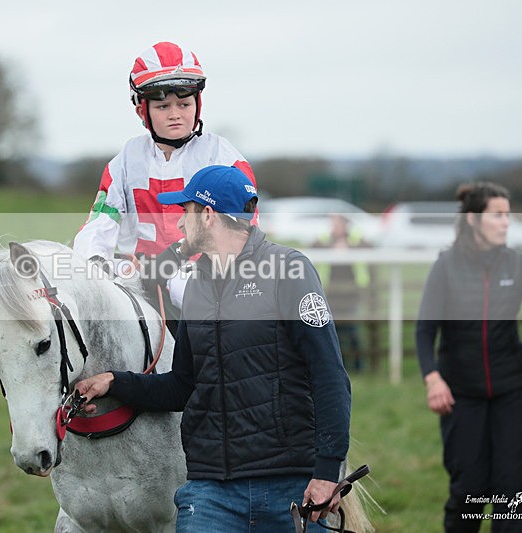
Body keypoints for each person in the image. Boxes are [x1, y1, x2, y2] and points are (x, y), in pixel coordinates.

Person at [75, 165, 351, 532]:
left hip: (291, 488)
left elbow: (329, 374)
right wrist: (115, 382)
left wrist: (328, 472)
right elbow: (182, 386)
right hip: (211, 492)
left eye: (184, 212)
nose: (179, 224)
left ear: (207, 216)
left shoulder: (290, 270)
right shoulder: (197, 289)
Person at [72, 41, 257, 332]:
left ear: (198, 104)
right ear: (141, 111)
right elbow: (98, 225)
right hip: (138, 286)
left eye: (184, 104)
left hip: (206, 285)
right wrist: (96, 264)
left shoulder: (222, 156)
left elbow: (244, 230)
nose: (175, 114)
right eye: (163, 106)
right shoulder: (124, 161)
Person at [416, 182, 522, 532]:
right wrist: (433, 378)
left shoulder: (519, 263)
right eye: (498, 215)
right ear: (474, 220)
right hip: (461, 395)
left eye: (507, 215)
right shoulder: (446, 266)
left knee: (512, 493)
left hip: (512, 390)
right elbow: (424, 331)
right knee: (469, 491)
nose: (506, 222)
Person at [314, 214, 372, 371]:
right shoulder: (324, 239)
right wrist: (332, 249)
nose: (335, 226)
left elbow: (369, 250)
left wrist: (348, 249)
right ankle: (340, 365)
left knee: (352, 332)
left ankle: (358, 366)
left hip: (352, 296)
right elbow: (312, 248)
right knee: (333, 332)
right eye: (333, 222)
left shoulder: (356, 239)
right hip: (329, 295)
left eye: (338, 222)